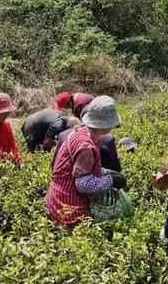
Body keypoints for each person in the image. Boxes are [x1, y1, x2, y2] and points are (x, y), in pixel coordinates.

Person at [46, 96, 130, 227]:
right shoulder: (86, 146)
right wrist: (110, 181)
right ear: (106, 124)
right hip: (68, 205)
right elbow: (83, 184)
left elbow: (81, 169)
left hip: (57, 196)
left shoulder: (80, 131)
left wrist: (105, 172)